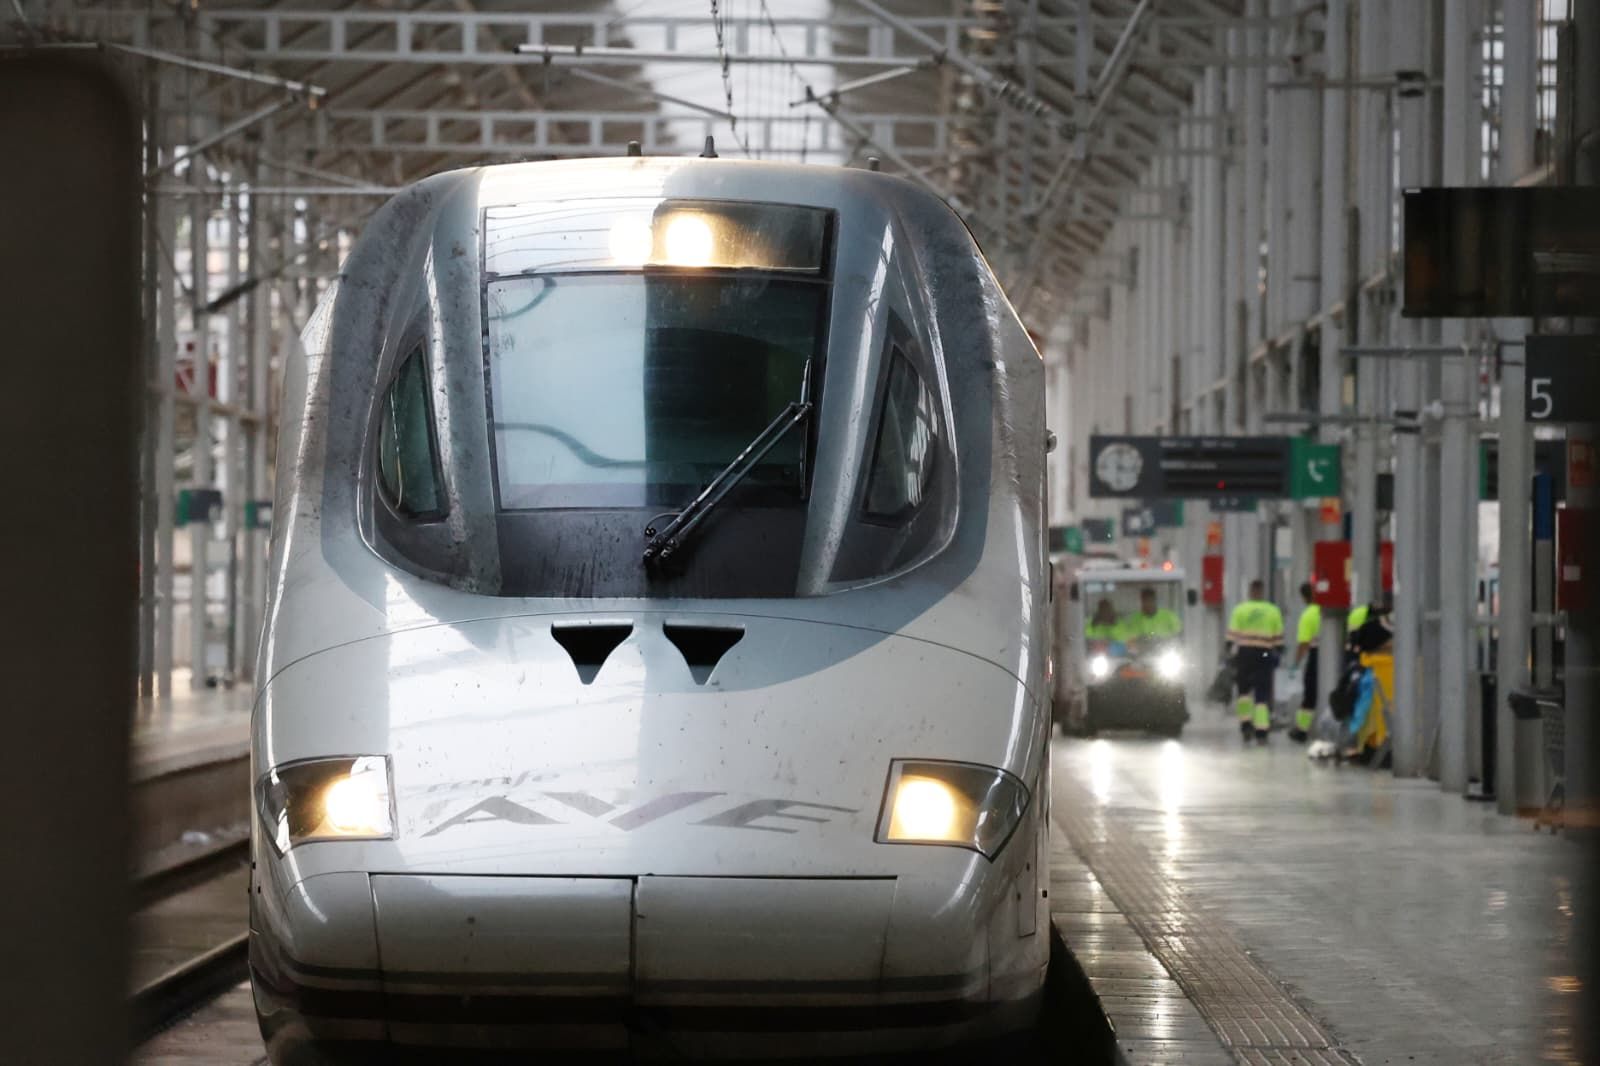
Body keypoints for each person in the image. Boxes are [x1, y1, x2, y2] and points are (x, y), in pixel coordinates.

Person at [1227, 579, 1284, 743]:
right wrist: (1278, 652)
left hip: (1245, 654)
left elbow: (1231, 636)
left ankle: (1245, 725)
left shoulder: (1240, 610)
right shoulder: (1273, 610)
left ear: (1251, 592)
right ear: (1262, 591)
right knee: (1262, 693)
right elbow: (1278, 638)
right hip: (1264, 654)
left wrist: (1229, 652)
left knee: (1243, 691)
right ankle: (1261, 730)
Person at [1288, 582, 1321, 743]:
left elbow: (1304, 644)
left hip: (1315, 656)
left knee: (1310, 693)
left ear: (1303, 597)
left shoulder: (1308, 615)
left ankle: (1302, 730)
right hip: (1335, 655)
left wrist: (1296, 663)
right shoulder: (1325, 610)